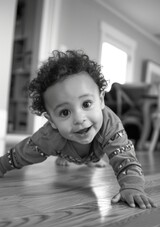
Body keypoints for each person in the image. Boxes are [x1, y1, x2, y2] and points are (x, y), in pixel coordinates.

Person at [0, 50, 156, 209]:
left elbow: (124, 157)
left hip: (95, 152)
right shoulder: (49, 137)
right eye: (65, 112)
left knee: (101, 154)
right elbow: (21, 154)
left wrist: (132, 186)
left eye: (86, 104)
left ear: (101, 100)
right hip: (65, 149)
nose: (79, 119)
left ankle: (90, 161)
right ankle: (66, 156)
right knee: (53, 147)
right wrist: (2, 165)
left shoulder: (111, 126)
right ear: (52, 120)